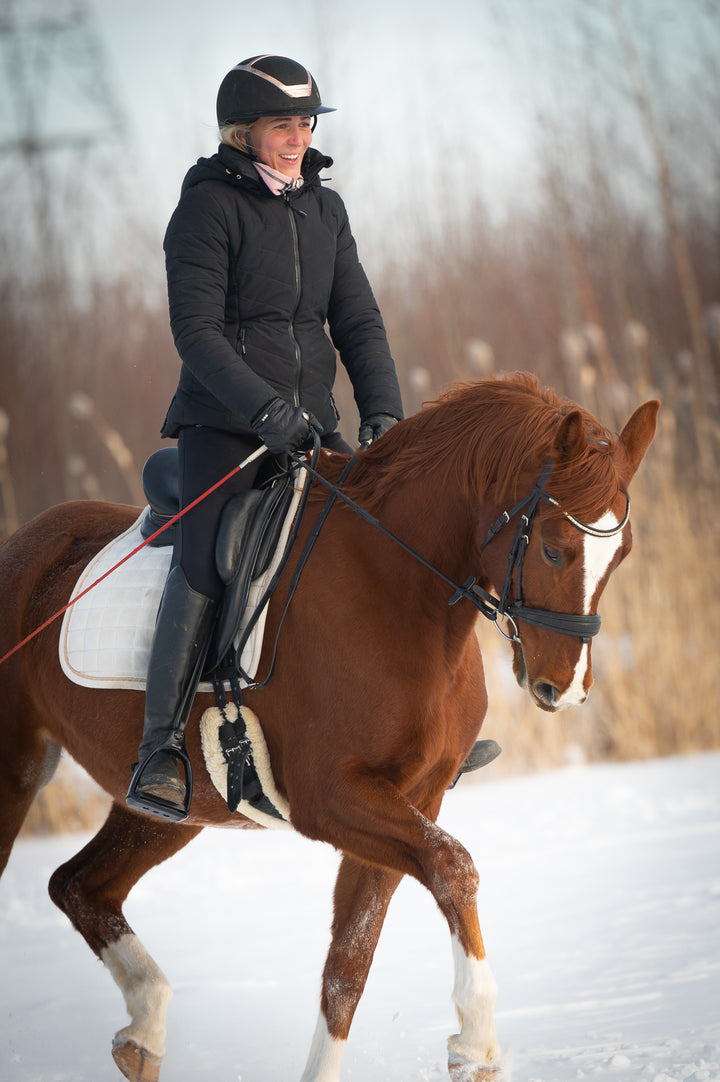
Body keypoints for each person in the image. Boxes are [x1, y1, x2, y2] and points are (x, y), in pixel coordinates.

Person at [126, 55, 404, 822]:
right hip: (226, 428)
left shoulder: (326, 211)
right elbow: (198, 332)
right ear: (242, 130)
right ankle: (159, 750)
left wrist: (382, 409)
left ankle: (412, 724)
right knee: (208, 558)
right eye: (282, 123)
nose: (297, 136)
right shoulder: (207, 209)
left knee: (386, 540)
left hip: (315, 425)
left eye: (306, 122)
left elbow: (358, 321)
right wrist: (261, 411)